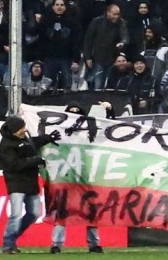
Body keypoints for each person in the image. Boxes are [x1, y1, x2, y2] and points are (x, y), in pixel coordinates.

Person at [50, 101, 113, 254]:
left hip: (86, 175)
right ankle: (56, 244)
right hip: (67, 175)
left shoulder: (90, 131)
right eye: (71, 112)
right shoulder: (60, 131)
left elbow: (109, 130)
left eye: (77, 113)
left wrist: (110, 111)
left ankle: (94, 244)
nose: (74, 116)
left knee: (91, 210)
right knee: (62, 210)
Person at [0, 115, 61, 254]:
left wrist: (47, 138)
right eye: (21, 128)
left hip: (30, 182)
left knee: (34, 213)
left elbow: (33, 144)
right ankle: (8, 245)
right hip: (15, 182)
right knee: (15, 214)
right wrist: (36, 161)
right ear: (14, 130)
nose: (24, 130)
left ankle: (12, 238)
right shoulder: (6, 145)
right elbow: (14, 165)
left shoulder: (23, 139)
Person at [83, 4, 129, 90]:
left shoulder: (121, 23)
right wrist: (88, 57)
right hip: (97, 58)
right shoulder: (97, 22)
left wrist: (122, 43)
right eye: (114, 14)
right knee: (98, 84)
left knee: (109, 84)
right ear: (108, 13)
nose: (117, 16)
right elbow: (88, 40)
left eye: (118, 14)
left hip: (112, 59)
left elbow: (125, 36)